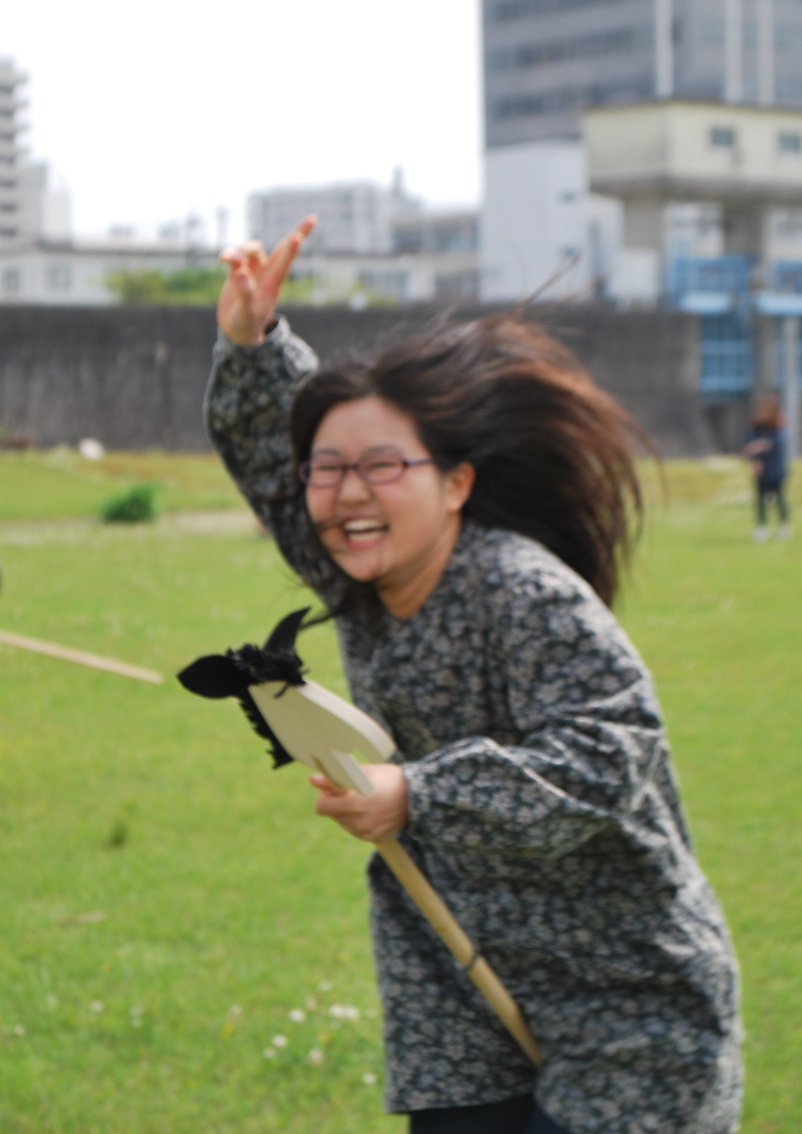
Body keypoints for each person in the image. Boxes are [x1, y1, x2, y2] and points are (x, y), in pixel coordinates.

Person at [204, 217, 743, 1134]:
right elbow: (270, 457)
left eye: (384, 465)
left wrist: (419, 793)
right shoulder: (357, 569)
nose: (348, 492)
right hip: (458, 979)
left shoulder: (524, 591)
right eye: (327, 470)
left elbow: (612, 750)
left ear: (455, 483)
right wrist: (255, 343)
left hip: (625, 994)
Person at [742, 394, 792, 542]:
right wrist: (754, 460)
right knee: (760, 500)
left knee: (779, 498)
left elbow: (777, 443)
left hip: (776, 469)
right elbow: (748, 446)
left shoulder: (778, 426)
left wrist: (761, 446)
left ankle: (784, 526)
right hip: (761, 470)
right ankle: (762, 527)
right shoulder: (756, 427)